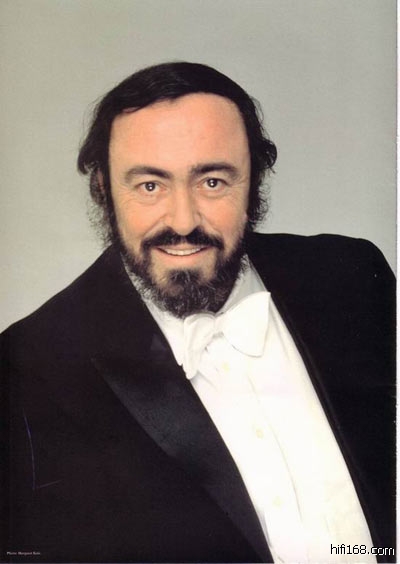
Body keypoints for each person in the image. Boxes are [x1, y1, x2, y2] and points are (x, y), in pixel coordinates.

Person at [1, 62, 395, 564]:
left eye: (212, 181)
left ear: (254, 182)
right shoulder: (28, 369)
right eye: (150, 185)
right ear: (103, 189)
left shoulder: (354, 276)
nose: (183, 221)